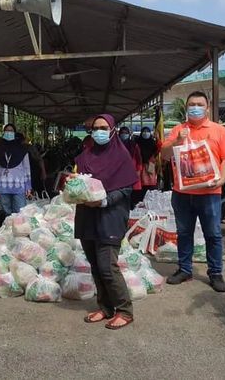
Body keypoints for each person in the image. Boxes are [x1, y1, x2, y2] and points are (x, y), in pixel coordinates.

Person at [161, 91, 225, 292]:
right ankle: (184, 269)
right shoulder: (178, 130)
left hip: (210, 193)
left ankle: (216, 272)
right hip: (182, 193)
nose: (195, 108)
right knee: (184, 233)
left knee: (213, 234)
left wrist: (222, 180)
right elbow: (165, 155)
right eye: (191, 104)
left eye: (199, 104)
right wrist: (177, 141)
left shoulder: (219, 131)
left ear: (207, 108)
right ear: (186, 108)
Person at [74, 114, 137, 330]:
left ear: (112, 130)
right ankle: (106, 307)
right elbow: (80, 181)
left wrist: (104, 201)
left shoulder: (121, 156)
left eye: (103, 127)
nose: (99, 132)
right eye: (95, 128)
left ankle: (125, 311)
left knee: (107, 267)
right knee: (96, 266)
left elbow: (126, 188)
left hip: (110, 215)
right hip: (87, 215)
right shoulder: (86, 155)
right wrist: (73, 185)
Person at [0, 124, 32, 216]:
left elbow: (27, 169)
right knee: (6, 215)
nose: (9, 133)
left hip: (19, 187)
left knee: (20, 214)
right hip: (2, 188)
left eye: (11, 131)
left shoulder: (22, 150)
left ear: (15, 133)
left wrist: (28, 186)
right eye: (7, 131)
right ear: (3, 133)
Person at [119, 126, 143, 207]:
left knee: (132, 190)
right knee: (121, 189)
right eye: (122, 133)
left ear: (129, 134)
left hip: (132, 170)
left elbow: (139, 158)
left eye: (126, 133)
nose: (124, 134)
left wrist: (139, 170)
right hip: (120, 171)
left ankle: (131, 206)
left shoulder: (134, 145)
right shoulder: (116, 145)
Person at [136, 126, 159, 194]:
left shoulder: (153, 142)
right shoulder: (137, 142)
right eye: (144, 131)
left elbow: (158, 149)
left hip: (150, 165)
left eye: (147, 131)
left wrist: (158, 138)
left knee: (150, 185)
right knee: (141, 185)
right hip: (140, 166)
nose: (146, 133)